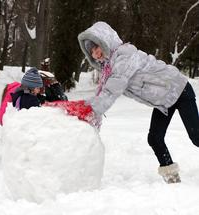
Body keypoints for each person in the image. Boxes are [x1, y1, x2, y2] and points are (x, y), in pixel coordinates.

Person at [77, 21, 199, 184]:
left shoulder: (124, 56)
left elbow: (111, 91)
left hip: (179, 89)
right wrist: (88, 106)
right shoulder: (110, 66)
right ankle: (172, 178)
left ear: (105, 42)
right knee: (155, 138)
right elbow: (104, 91)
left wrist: (89, 109)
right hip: (164, 101)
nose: (95, 54)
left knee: (196, 136)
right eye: (91, 51)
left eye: (96, 48)